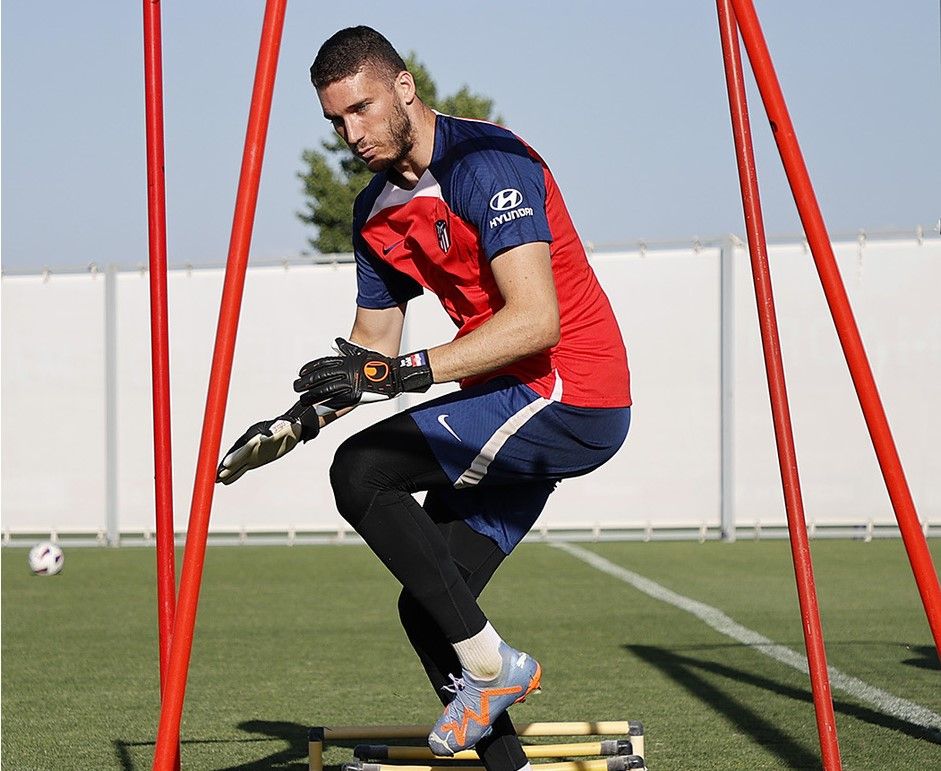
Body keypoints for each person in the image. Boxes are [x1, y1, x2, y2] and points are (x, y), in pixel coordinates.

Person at [216, 25, 632, 769]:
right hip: (506, 401)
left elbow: (537, 322)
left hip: (568, 389)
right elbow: (371, 349)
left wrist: (397, 375)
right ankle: (508, 752)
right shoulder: (376, 211)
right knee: (431, 602)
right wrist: (298, 420)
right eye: (336, 120)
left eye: (363, 109)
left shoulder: (487, 161)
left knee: (362, 471)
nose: (352, 133)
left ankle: (494, 667)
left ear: (404, 87)